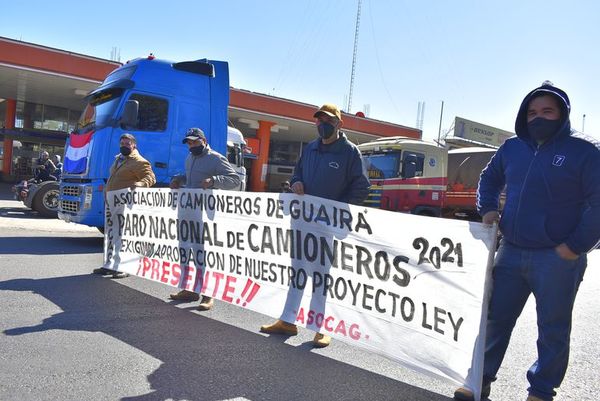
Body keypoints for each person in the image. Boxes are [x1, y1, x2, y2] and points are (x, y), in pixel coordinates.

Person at [454, 82, 600, 401]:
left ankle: (541, 391)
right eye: (532, 112)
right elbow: (489, 180)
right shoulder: (512, 147)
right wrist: (489, 210)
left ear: (562, 114)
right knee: (494, 320)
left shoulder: (586, 150)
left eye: (547, 111)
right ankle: (480, 379)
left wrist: (576, 245)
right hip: (512, 253)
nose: (538, 118)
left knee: (552, 330)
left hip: (559, 257)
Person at [260, 103, 370, 348]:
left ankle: (320, 326)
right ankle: (288, 320)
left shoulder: (350, 152)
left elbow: (361, 186)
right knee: (298, 272)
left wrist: (337, 210)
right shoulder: (310, 148)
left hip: (327, 225)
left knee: (320, 276)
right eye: (319, 121)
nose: (322, 125)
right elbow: (297, 174)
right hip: (302, 222)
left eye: (328, 121)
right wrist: (296, 183)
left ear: (339, 124)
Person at [168, 127, 241, 310]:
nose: (191, 145)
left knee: (203, 254)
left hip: (205, 216)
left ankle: (209, 295)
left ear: (204, 140)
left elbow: (235, 180)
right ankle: (190, 289)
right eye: (189, 143)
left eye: (194, 141)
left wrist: (214, 181)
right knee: (186, 250)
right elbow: (190, 179)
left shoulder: (215, 158)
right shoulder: (190, 157)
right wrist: (178, 180)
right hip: (187, 213)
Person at [93, 133, 156, 278]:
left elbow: (151, 177)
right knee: (111, 235)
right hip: (112, 204)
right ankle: (110, 265)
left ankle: (124, 268)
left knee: (124, 237)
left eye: (127, 144)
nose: (124, 146)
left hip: (126, 205)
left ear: (134, 145)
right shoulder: (118, 159)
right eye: (122, 143)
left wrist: (140, 184)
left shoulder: (139, 161)